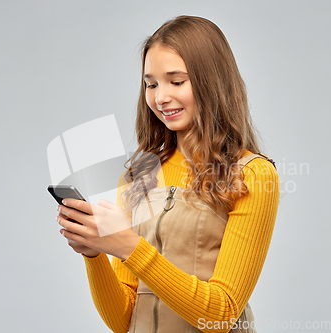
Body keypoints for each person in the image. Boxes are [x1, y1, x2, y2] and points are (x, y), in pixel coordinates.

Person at [55, 15, 280, 333]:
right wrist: (94, 253)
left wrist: (129, 246)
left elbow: (221, 315)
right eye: (151, 84)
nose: (160, 97)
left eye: (177, 81)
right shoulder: (137, 177)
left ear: (211, 81)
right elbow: (124, 321)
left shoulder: (253, 175)